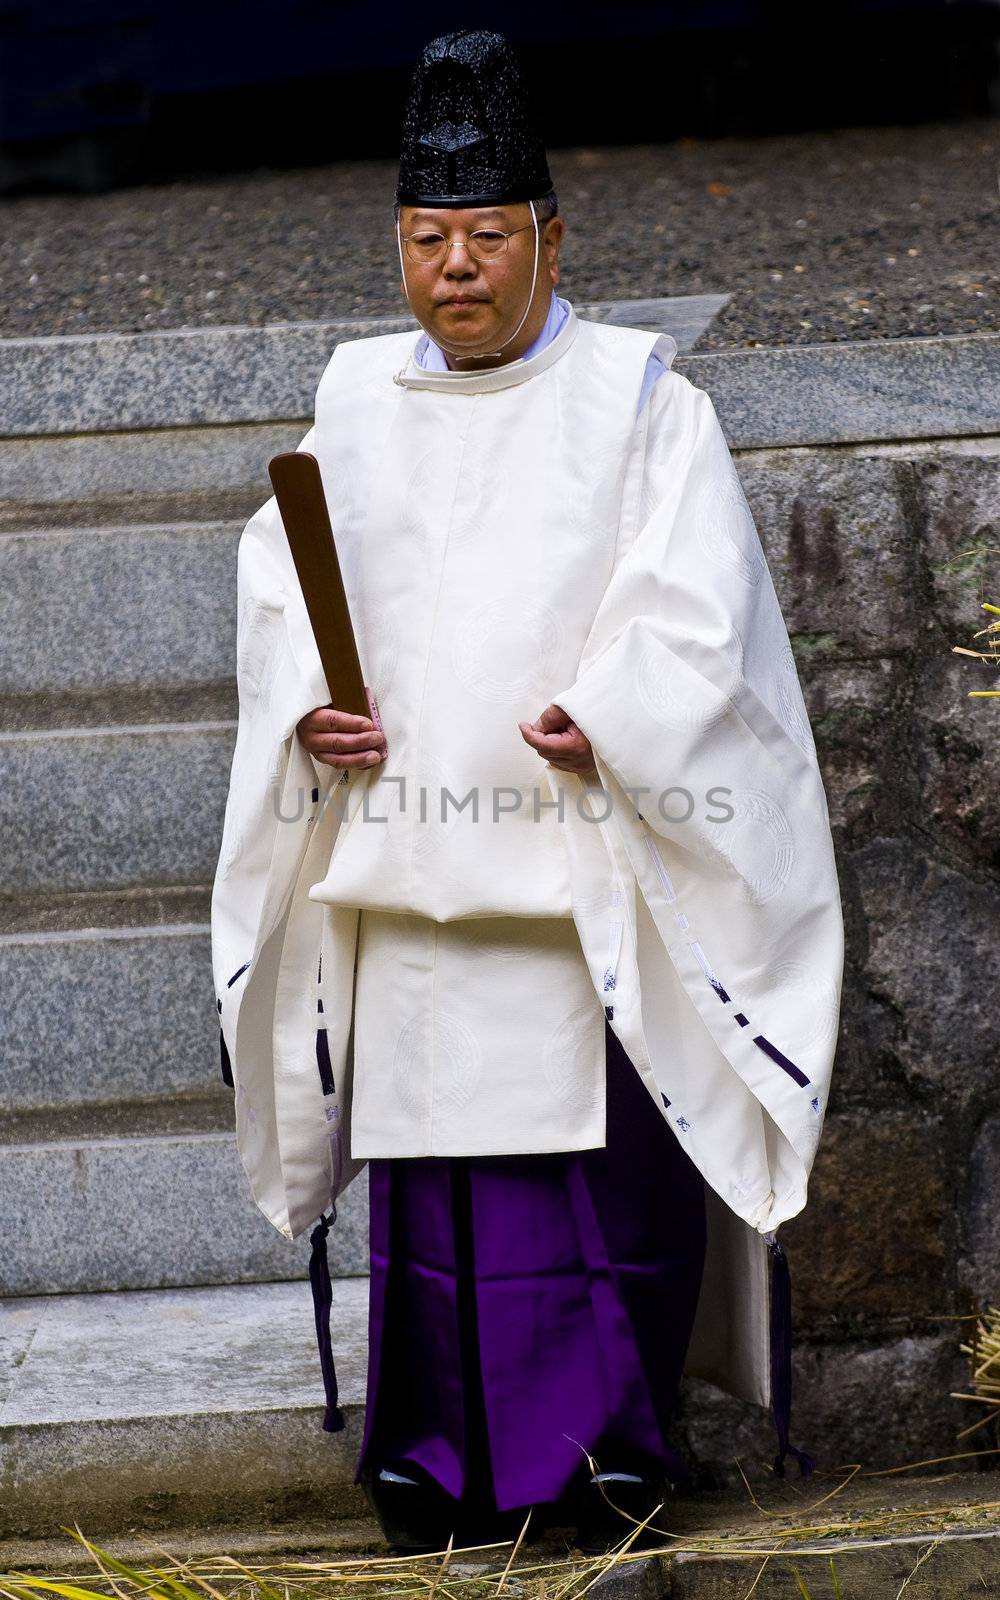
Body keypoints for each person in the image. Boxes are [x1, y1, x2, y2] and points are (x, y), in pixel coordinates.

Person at [211, 28, 844, 1556]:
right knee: (436, 1198)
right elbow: (279, 580)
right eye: (430, 241)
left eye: (490, 236)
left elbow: (699, 612)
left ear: (552, 239)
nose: (460, 269)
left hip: (570, 857)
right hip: (413, 861)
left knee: (585, 1187)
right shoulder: (353, 399)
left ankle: (613, 1452)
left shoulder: (640, 401)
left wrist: (611, 714)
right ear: (399, 248)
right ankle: (434, 1458)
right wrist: (313, 709)